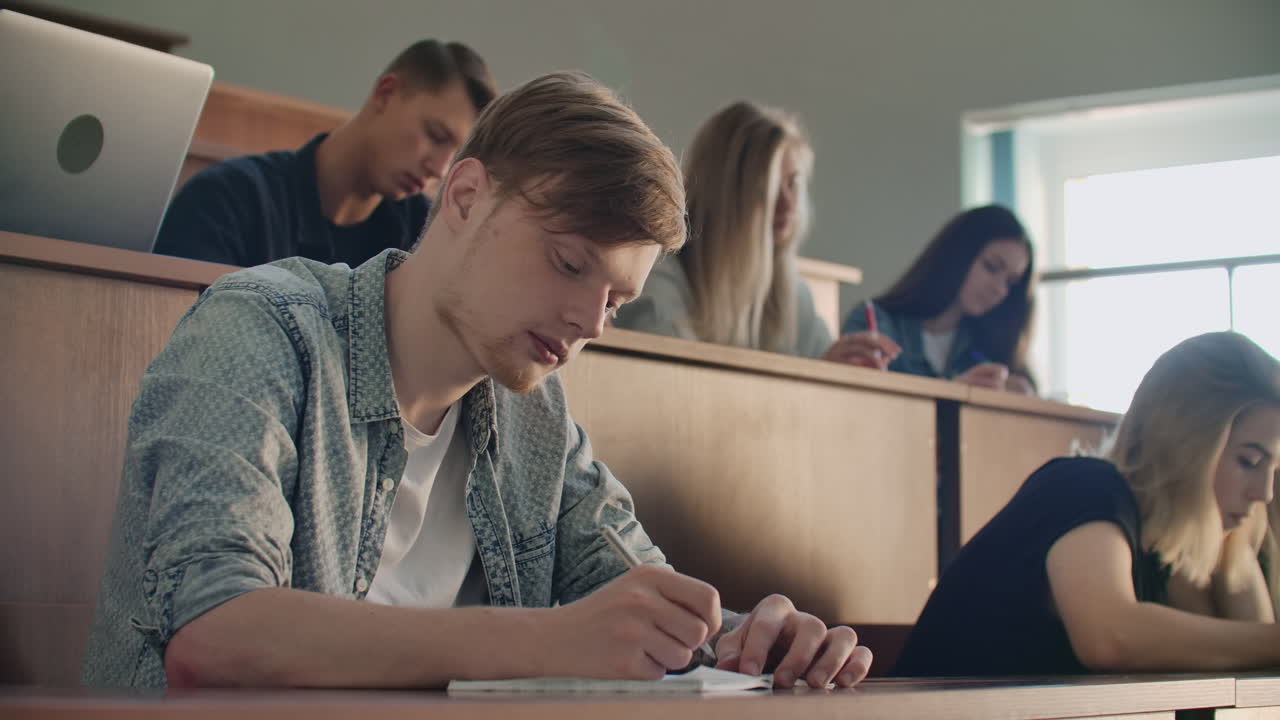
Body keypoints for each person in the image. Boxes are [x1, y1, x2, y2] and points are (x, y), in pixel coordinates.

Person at [84, 72, 873, 690]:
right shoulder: (261, 329)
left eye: (616, 300)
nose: (590, 321)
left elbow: (639, 603)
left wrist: (754, 640)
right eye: (568, 263)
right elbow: (215, 635)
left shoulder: (534, 417)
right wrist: (551, 642)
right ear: (465, 196)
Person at [893, 331, 1280, 676]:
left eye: (1275, 469)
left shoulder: (1167, 550)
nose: (1264, 492)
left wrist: (1235, 558)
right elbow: (1110, 637)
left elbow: (1260, 683)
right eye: (1249, 461)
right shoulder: (1084, 486)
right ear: (1185, 444)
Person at [153, 39, 496, 268]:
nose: (440, 168)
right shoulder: (228, 199)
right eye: (435, 135)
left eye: (455, 155)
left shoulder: (425, 234)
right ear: (386, 93)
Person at [613, 101, 837, 360]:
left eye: (793, 184)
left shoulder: (796, 295)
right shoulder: (659, 274)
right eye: (771, 185)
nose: (789, 204)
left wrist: (837, 365)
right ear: (727, 193)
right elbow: (677, 378)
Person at [838, 205, 1036, 393]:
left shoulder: (991, 349)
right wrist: (952, 394)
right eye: (992, 267)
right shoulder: (875, 324)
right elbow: (861, 412)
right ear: (959, 253)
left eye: (1011, 282)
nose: (999, 289)